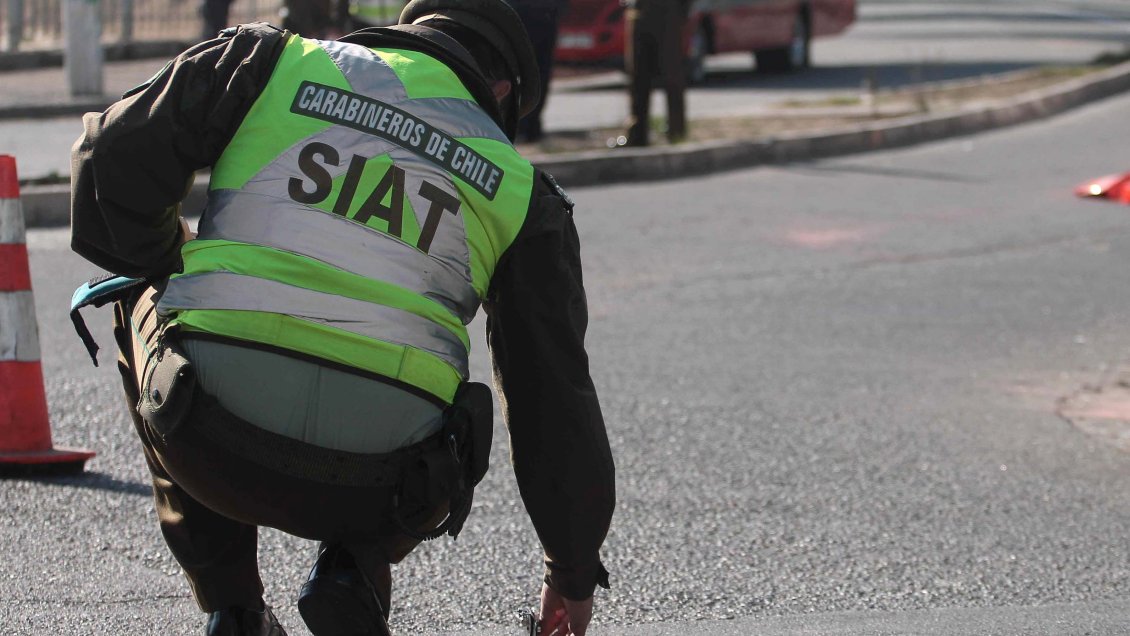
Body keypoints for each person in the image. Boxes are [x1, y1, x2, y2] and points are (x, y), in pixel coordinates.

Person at [68, 1, 615, 634]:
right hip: (384, 486)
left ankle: (234, 608)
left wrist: (169, 261)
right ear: (500, 92)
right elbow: (554, 398)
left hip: (205, 434)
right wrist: (571, 572)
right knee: (449, 392)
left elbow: (107, 156)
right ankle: (353, 570)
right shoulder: (522, 193)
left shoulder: (271, 62)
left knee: (142, 290)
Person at [623, 0, 690, 146]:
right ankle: (637, 134)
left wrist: (680, 13)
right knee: (638, 79)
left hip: (667, 14)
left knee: (671, 75)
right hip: (638, 12)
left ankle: (676, 131)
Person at [507, 0, 566, 142]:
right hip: (540, 11)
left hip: (527, 12)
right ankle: (529, 126)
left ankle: (526, 126)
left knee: (529, 71)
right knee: (537, 72)